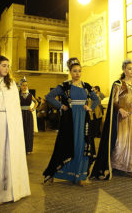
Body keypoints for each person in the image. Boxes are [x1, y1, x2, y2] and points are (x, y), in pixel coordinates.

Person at [91, 59, 132, 179]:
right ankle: (116, 165)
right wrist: (120, 110)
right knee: (121, 142)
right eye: (129, 68)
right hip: (124, 117)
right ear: (124, 70)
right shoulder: (119, 84)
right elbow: (113, 101)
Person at [43, 57, 99, 185]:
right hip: (70, 120)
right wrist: (60, 106)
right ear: (70, 72)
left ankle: (79, 175)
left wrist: (90, 107)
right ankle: (53, 172)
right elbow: (49, 96)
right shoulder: (64, 86)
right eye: (74, 71)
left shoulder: (86, 86)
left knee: (82, 146)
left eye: (79, 71)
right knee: (66, 145)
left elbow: (96, 100)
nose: (77, 73)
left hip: (83, 119)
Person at [0, 55, 31, 204]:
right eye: (3, 65)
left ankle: (8, 190)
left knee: (7, 155)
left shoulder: (11, 84)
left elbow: (14, 107)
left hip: (9, 123)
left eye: (7, 66)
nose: (6, 68)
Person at [19, 78, 38, 154]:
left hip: (28, 114)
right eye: (23, 85)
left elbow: (36, 102)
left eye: (26, 85)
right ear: (20, 86)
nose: (25, 87)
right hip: (20, 115)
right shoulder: (17, 95)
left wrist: (33, 109)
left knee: (29, 131)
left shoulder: (30, 95)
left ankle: (28, 149)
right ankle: (21, 148)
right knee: (21, 131)